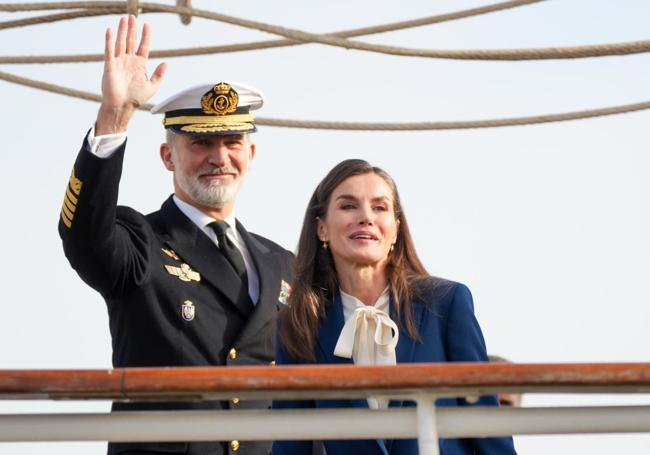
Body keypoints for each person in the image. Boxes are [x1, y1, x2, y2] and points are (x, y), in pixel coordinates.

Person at [58, 15, 293, 455]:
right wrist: (115, 115)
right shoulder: (141, 240)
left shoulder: (282, 264)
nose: (219, 157)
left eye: (232, 142)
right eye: (201, 143)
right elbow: (84, 235)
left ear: (251, 153)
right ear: (168, 156)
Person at [272, 159, 516, 455]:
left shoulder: (448, 303)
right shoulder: (299, 324)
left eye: (379, 207)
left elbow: (488, 429)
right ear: (322, 228)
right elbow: (290, 445)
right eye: (348, 206)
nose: (366, 217)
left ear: (396, 229)